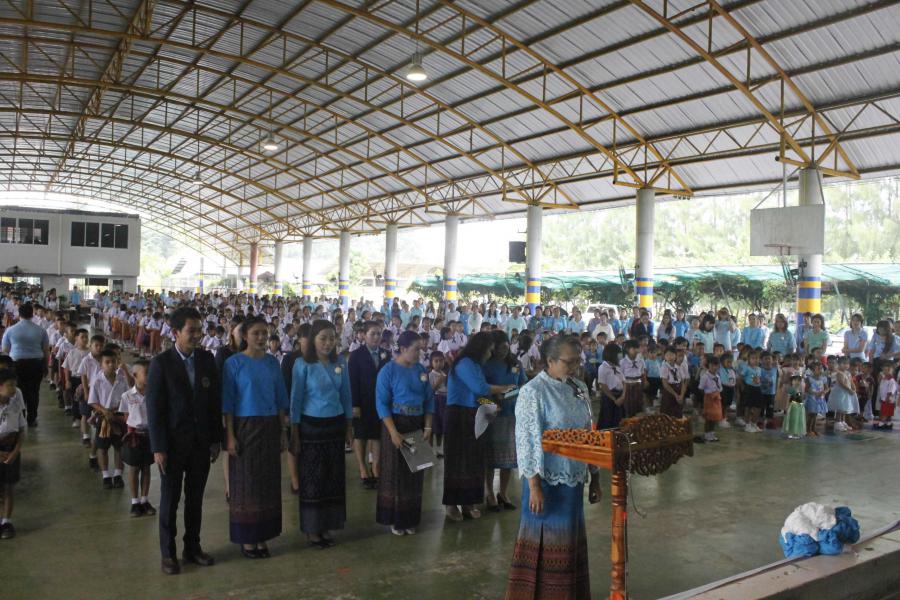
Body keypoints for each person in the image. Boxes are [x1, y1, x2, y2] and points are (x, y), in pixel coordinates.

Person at [506, 335, 601, 600]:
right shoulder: (533, 392)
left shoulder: (579, 387)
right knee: (546, 542)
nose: (575, 367)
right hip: (545, 482)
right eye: (569, 362)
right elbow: (526, 441)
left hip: (574, 479)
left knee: (568, 543)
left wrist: (594, 475)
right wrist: (534, 485)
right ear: (550, 361)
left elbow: (589, 432)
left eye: (578, 361)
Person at [146, 307, 222, 575]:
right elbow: (154, 409)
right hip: (173, 445)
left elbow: (213, 402)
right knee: (170, 499)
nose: (197, 335)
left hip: (201, 442)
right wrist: (158, 448)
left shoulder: (206, 359)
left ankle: (193, 547)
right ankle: (168, 554)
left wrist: (216, 438)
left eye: (200, 330)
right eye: (192, 331)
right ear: (175, 332)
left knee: (195, 499)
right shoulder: (161, 363)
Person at [222, 316, 289, 559]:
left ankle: (263, 536)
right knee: (247, 483)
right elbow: (228, 404)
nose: (261, 338)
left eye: (265, 333)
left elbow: (280, 399)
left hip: (270, 427)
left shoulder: (272, 363)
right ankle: (248, 538)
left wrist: (282, 431)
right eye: (256, 333)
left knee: (267, 483)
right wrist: (230, 436)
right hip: (244, 427)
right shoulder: (233, 363)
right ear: (245, 336)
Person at [290, 319, 352, 549]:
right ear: (313, 340)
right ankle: (312, 529)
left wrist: (349, 425)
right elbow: (295, 399)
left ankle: (327, 524)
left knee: (332, 477)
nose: (327, 343)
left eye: (331, 338)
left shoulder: (340, 362)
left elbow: (346, 395)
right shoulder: (302, 364)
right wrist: (294, 431)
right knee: (313, 478)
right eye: (322, 338)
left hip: (335, 426)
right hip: (311, 427)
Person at [443, 332, 513, 522]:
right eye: (489, 350)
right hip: (458, 415)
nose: (490, 354)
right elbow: (479, 388)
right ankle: (451, 505)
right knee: (457, 461)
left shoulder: (475, 365)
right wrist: (504, 388)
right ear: (480, 348)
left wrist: (491, 404)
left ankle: (468, 502)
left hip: (474, 414)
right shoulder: (464, 363)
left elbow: (477, 396)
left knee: (473, 461)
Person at [375, 330, 434, 536]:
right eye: (416, 349)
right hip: (396, 424)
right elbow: (382, 403)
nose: (420, 353)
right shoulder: (388, 371)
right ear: (402, 349)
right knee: (395, 473)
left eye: (421, 349)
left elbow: (429, 401)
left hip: (416, 424)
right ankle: (394, 518)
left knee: (415, 473)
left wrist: (428, 427)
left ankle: (410, 518)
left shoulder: (421, 370)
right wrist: (393, 432)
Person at [483, 330, 525, 513]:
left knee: (509, 456)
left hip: (512, 414)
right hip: (492, 415)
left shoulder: (515, 363)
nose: (503, 351)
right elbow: (480, 390)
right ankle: (489, 493)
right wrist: (493, 400)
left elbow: (523, 384)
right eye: (499, 348)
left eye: (506, 347)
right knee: (491, 456)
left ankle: (503, 492)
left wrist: (511, 393)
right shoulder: (486, 364)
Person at [349, 321, 388, 490]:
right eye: (373, 333)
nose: (376, 337)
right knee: (361, 435)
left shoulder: (386, 354)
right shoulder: (356, 355)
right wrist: (355, 404)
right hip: (362, 401)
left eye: (379, 333)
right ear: (364, 335)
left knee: (377, 435)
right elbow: (352, 381)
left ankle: (376, 468)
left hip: (380, 401)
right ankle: (363, 468)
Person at [1, 302, 49, 427]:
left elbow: (5, 351)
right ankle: (32, 418)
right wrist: (45, 366)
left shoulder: (10, 330)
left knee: (18, 392)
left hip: (16, 365)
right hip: (36, 364)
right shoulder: (41, 330)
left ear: (19, 314)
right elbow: (45, 351)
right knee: (34, 391)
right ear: (32, 314)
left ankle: (20, 417)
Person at [119, 360, 156, 517]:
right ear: (134, 375)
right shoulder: (127, 396)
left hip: (149, 435)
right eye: (146, 373)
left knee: (146, 468)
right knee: (134, 468)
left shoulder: (154, 394)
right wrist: (131, 433)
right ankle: (135, 502)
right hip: (134, 436)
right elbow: (126, 417)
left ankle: (144, 500)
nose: (150, 375)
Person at [88, 349, 129, 489]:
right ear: (101, 364)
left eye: (114, 362)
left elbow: (127, 397)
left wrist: (120, 409)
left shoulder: (121, 379)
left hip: (118, 416)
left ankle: (118, 474)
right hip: (104, 418)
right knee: (103, 447)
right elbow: (92, 401)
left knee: (119, 447)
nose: (111, 364)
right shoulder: (97, 381)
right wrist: (104, 410)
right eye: (107, 362)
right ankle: (105, 475)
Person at [0, 369, 25, 539]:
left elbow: (22, 429)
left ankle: (6, 522)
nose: (13, 389)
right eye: (10, 385)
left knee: (8, 487)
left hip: (11, 450)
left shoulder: (15, 405)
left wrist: (15, 451)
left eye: (15, 385)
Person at [596, 343, 625, 429]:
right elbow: (603, 385)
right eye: (619, 354)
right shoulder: (602, 367)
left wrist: (623, 396)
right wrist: (614, 399)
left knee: (619, 419)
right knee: (608, 419)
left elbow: (624, 382)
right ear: (612, 355)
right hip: (609, 397)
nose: (621, 356)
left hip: (620, 396)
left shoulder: (618, 366)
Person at [828, 357, 859, 433]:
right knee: (840, 408)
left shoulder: (848, 373)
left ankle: (842, 421)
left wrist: (854, 388)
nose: (846, 365)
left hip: (846, 393)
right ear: (839, 364)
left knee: (844, 408)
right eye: (844, 364)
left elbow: (851, 381)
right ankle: (837, 422)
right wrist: (849, 390)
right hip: (840, 393)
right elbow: (842, 383)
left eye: (847, 364)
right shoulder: (839, 373)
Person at [428, 351, 449, 458]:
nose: (439, 363)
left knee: (442, 425)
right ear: (431, 363)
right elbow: (430, 391)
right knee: (434, 426)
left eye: (441, 361)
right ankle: (431, 450)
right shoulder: (430, 375)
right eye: (436, 361)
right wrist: (439, 381)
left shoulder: (445, 374)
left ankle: (440, 448)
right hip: (436, 400)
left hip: (445, 400)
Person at [698, 356, 723, 442]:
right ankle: (707, 434)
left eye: (716, 365)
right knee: (708, 418)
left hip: (717, 398)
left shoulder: (718, 377)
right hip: (709, 398)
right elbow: (701, 388)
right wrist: (708, 396)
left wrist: (717, 393)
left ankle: (712, 434)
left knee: (714, 417)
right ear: (708, 365)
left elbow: (720, 387)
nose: (714, 367)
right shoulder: (705, 377)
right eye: (712, 365)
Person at [804, 361, 829, 437]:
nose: (820, 370)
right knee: (811, 414)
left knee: (815, 414)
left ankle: (813, 429)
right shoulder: (809, 379)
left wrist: (824, 392)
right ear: (812, 370)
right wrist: (815, 393)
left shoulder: (823, 379)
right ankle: (808, 430)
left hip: (820, 399)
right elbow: (806, 389)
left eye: (821, 368)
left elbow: (827, 388)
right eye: (818, 369)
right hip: (812, 399)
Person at [782, 375, 806, 439]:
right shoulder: (791, 389)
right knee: (792, 419)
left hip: (799, 407)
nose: (797, 382)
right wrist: (786, 407)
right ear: (792, 381)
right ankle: (790, 432)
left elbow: (801, 398)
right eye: (795, 380)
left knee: (797, 420)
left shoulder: (799, 390)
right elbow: (788, 398)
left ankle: (796, 433)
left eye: (799, 381)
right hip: (793, 407)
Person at [874, 362, 896, 430]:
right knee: (887, 412)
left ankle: (881, 423)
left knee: (884, 412)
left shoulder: (891, 380)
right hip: (883, 398)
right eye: (884, 370)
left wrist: (888, 397)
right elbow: (881, 388)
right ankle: (888, 423)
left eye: (888, 370)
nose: (886, 371)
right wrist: (881, 397)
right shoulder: (883, 379)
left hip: (888, 399)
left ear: (892, 371)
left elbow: (891, 390)